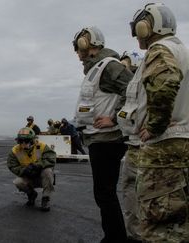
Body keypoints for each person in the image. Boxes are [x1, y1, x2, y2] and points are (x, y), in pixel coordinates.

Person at [118, 3, 189, 241]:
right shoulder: (181, 50)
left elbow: (165, 84)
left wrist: (156, 125)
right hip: (179, 145)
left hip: (163, 149)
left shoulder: (160, 49)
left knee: (160, 226)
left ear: (146, 26)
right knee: (177, 223)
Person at [73, 26, 134, 242]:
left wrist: (115, 118)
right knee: (104, 193)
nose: (77, 53)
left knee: (105, 193)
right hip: (99, 140)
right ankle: (114, 237)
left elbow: (134, 91)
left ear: (88, 44)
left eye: (78, 47)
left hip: (108, 139)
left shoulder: (109, 66)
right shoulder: (96, 69)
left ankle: (115, 238)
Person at [118, 50, 144, 242]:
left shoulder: (143, 83)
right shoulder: (132, 88)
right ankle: (134, 235)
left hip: (145, 145)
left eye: (125, 65)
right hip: (133, 144)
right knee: (128, 190)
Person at [7, 127, 56, 211]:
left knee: (48, 171)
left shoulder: (42, 147)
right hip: (28, 176)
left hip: (42, 176)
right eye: (20, 141)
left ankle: (45, 198)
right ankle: (32, 194)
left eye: (25, 141)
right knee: (18, 182)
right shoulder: (15, 151)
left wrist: (38, 165)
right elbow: (12, 166)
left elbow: (51, 159)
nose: (23, 144)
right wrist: (24, 170)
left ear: (32, 140)